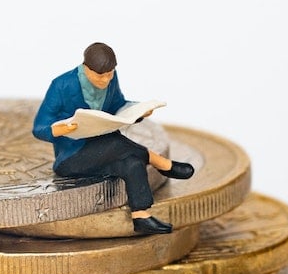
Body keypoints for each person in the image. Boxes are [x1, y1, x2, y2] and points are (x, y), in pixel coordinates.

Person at [32, 42, 194, 235]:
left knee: (133, 162)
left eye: (110, 74)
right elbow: (39, 127)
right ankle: (163, 164)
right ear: (86, 68)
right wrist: (59, 129)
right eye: (100, 75)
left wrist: (138, 111)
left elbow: (118, 105)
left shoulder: (111, 78)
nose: (106, 80)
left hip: (105, 150)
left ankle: (140, 216)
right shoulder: (62, 85)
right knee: (116, 143)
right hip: (72, 157)